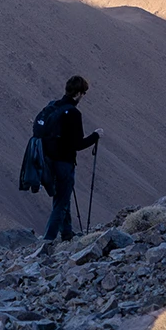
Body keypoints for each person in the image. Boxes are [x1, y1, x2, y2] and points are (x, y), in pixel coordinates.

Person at [40, 76, 99, 241]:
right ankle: (48, 240)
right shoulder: (73, 113)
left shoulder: (54, 106)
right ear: (78, 93)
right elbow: (78, 144)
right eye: (83, 93)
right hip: (64, 163)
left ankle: (67, 233)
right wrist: (96, 136)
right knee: (61, 202)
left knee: (62, 198)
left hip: (48, 161)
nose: (83, 97)